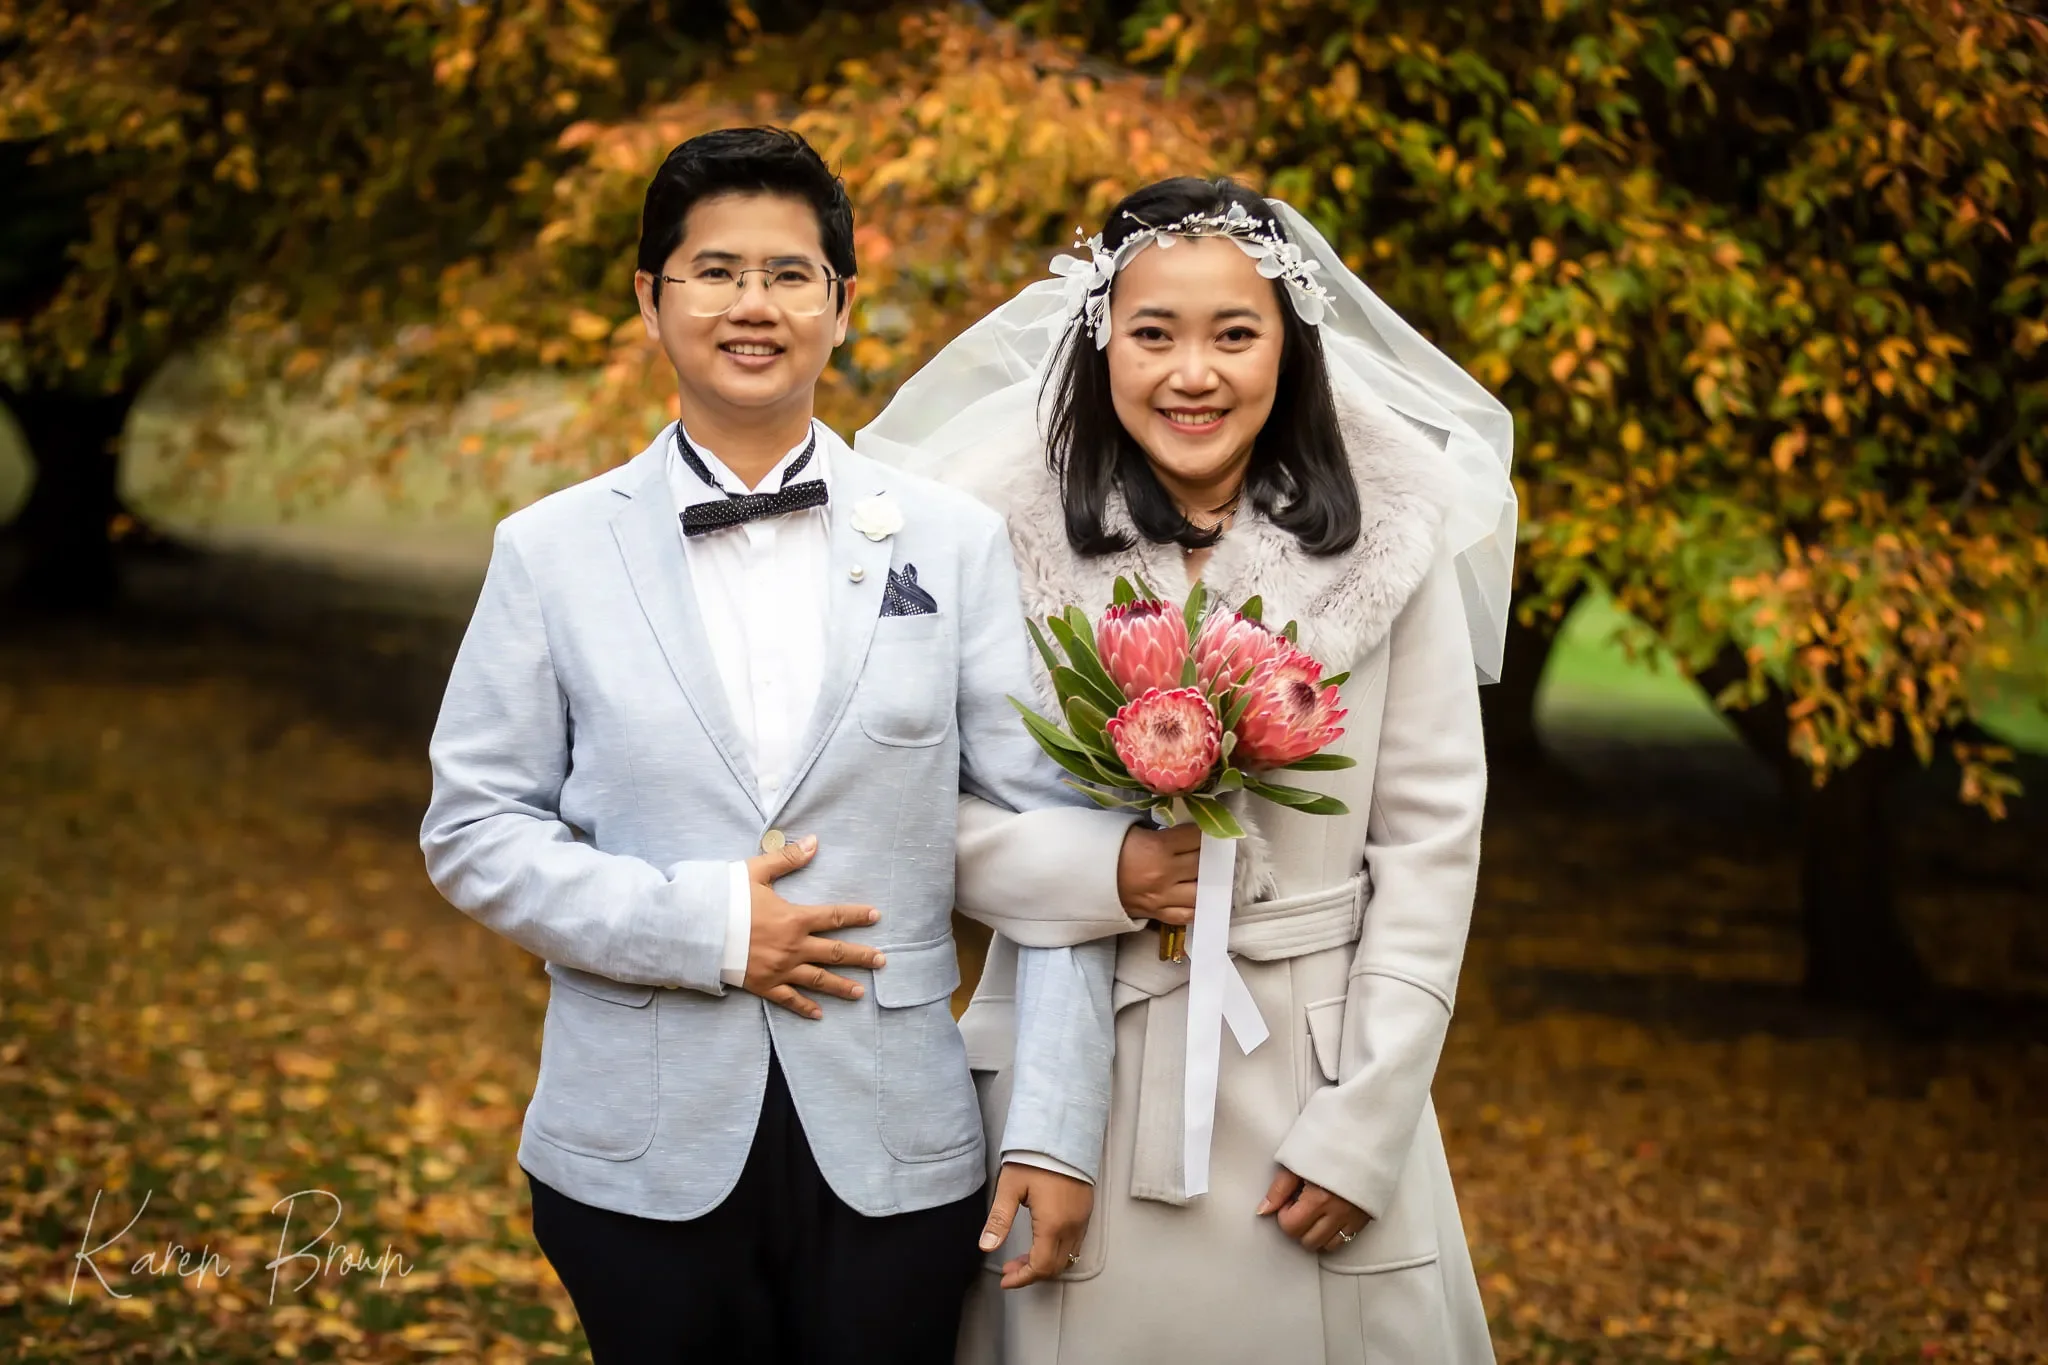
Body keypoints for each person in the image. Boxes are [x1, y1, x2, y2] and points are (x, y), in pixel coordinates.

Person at [420, 126, 1120, 1365]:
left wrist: (1053, 1130)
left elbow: (1047, 839)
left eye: (791, 274)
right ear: (652, 299)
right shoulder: (549, 550)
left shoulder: (952, 545)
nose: (755, 305)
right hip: (634, 1150)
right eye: (716, 271)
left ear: (841, 306)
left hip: (898, 1154)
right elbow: (474, 831)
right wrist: (709, 928)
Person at [857, 177, 1516, 1363]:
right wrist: (1099, 869)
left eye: (1233, 333)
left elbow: (1428, 850)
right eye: (1152, 333)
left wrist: (1364, 1124)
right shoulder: (992, 540)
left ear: (1289, 347)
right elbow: (908, 813)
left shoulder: (1390, 540)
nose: (1190, 373)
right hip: (1072, 1098)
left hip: (1311, 1091)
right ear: (1101, 339)